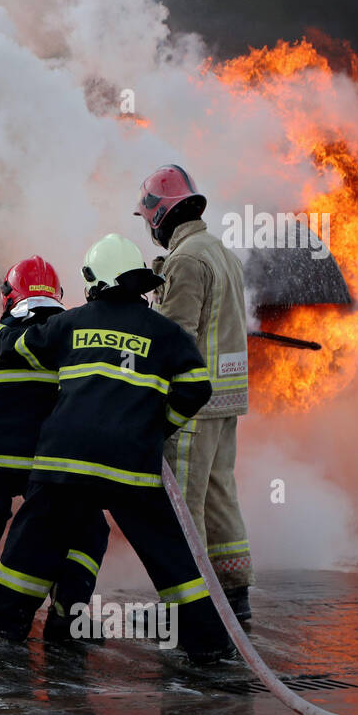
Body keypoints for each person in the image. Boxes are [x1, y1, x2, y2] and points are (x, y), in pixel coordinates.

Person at [0, 233, 234, 662]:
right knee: (170, 555)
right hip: (131, 466)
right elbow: (197, 387)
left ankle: (7, 628)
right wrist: (157, 427)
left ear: (96, 281)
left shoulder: (72, 322)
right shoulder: (165, 333)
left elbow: (17, 346)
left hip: (66, 462)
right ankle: (209, 646)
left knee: (32, 542)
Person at [0, 256, 109, 623]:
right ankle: (67, 612)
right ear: (58, 295)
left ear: (9, 297)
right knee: (86, 525)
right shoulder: (73, 337)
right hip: (49, 466)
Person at [135, 164, 253, 620]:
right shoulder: (221, 252)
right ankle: (234, 598)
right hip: (225, 401)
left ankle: (193, 610)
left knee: (181, 508)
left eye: (149, 222)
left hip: (192, 406)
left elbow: (174, 337)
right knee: (219, 496)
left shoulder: (185, 260)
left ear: (160, 214)